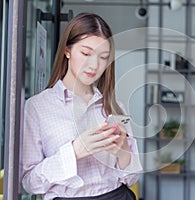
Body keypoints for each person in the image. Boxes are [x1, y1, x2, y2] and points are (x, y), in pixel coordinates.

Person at [21, 13, 142, 200]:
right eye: (86, 53)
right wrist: (74, 151)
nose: (94, 65)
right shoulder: (37, 107)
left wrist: (122, 151)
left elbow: (132, 178)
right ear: (67, 51)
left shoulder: (115, 106)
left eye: (103, 57)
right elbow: (29, 182)